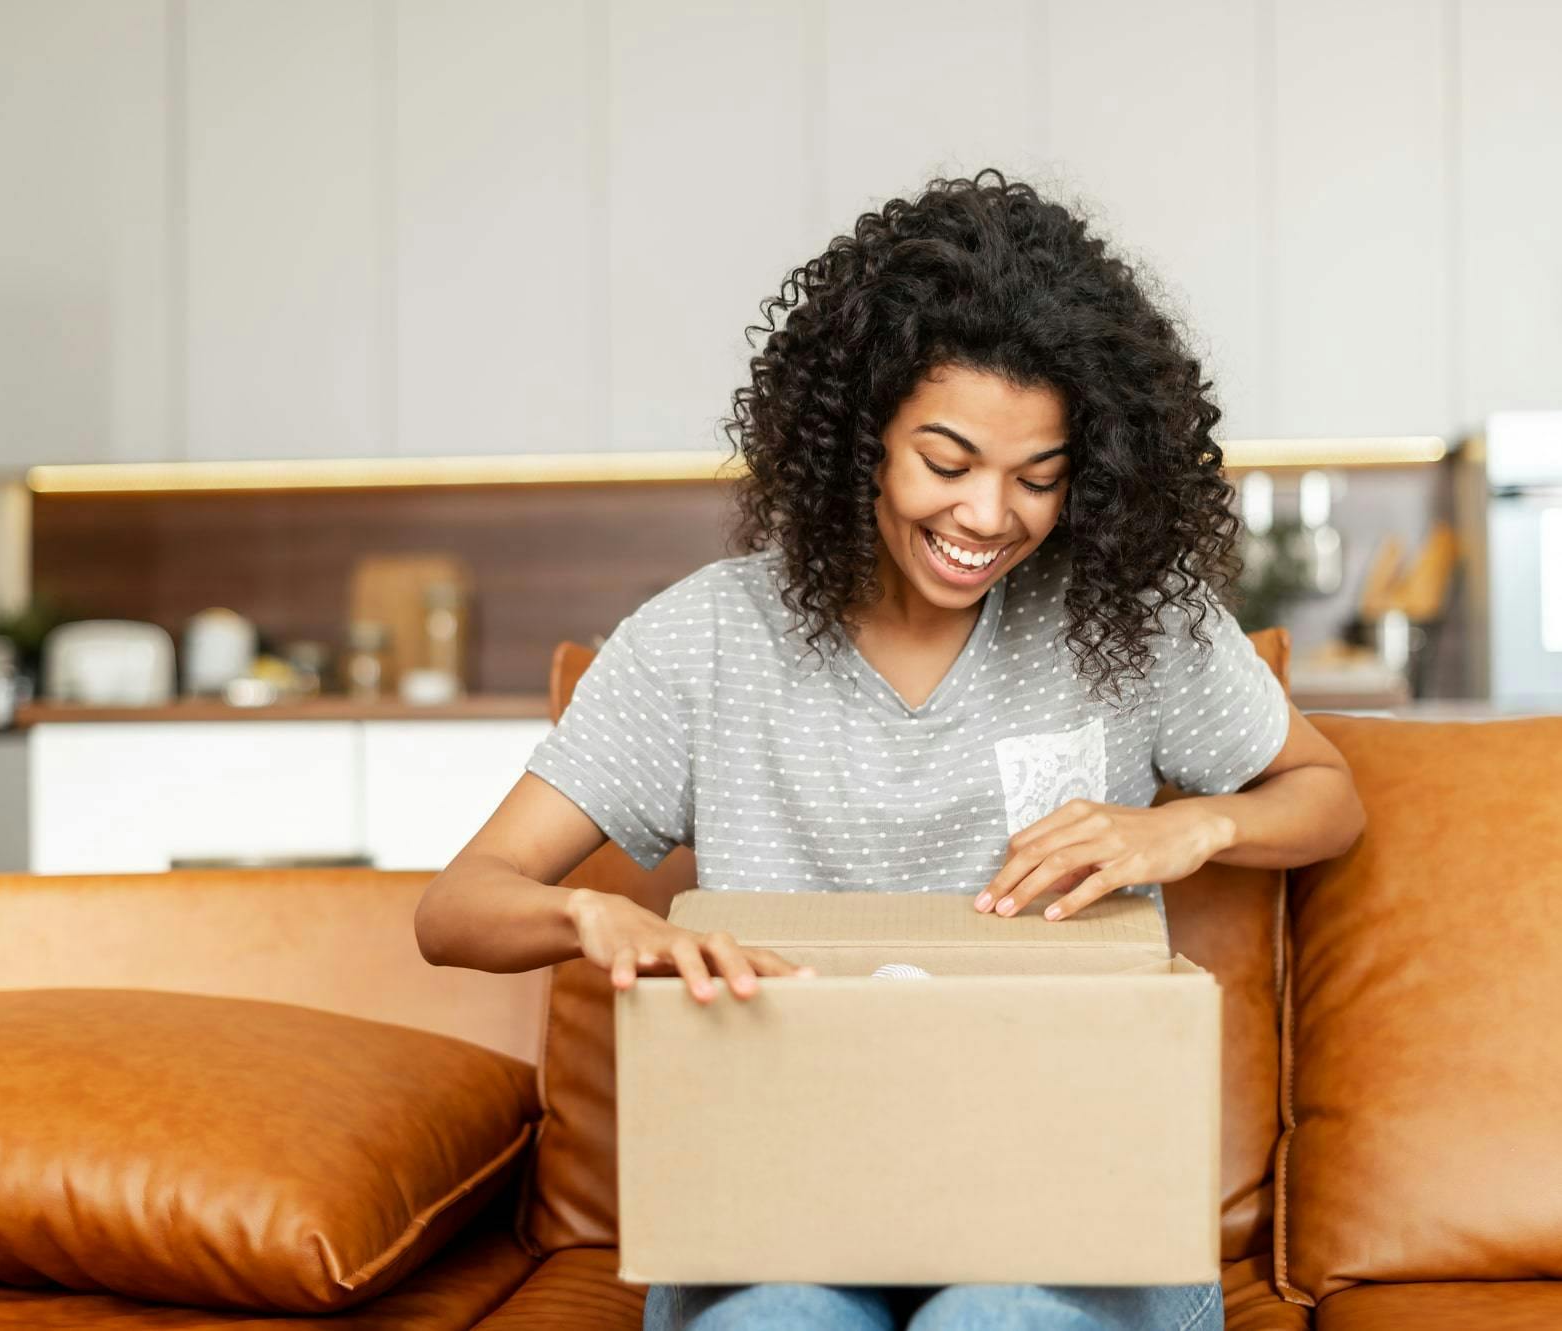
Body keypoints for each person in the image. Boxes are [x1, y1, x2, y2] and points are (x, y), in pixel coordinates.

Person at [416, 168, 1367, 1331]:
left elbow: (1324, 796)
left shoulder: (1128, 618)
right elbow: (456, 905)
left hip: (1072, 1197)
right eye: (947, 462)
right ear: (857, 436)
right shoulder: (705, 637)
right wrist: (587, 918)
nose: (987, 517)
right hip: (781, 1203)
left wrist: (1188, 822)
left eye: (1038, 479)